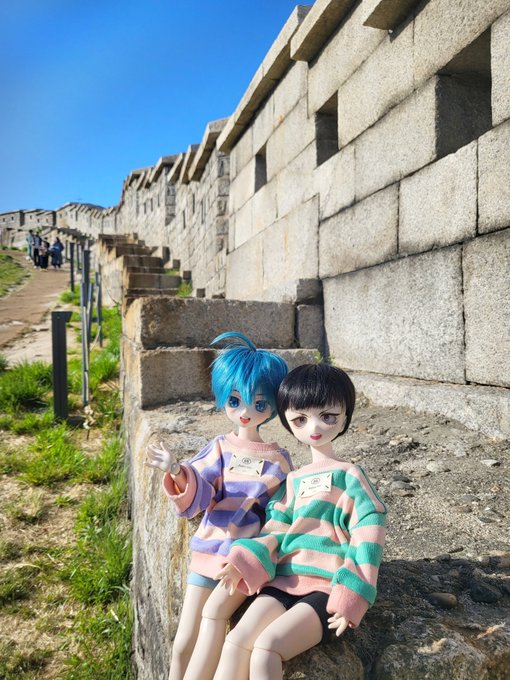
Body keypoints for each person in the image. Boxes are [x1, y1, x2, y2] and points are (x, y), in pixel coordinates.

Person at [208, 363, 387, 680]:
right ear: (288, 421)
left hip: (326, 587)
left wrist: (352, 593)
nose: (314, 427)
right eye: (300, 419)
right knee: (235, 641)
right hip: (285, 581)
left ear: (345, 416)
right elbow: (276, 529)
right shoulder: (293, 481)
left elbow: (368, 529)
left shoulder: (349, 476)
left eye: (327, 416)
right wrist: (244, 561)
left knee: (267, 648)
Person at [145, 332, 292, 680]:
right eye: (235, 401)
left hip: (241, 560)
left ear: (273, 406)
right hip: (209, 550)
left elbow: (280, 515)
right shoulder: (220, 447)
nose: (246, 412)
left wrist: (261, 557)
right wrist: (177, 470)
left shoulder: (279, 461)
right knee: (183, 642)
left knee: (211, 626)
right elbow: (200, 490)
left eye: (259, 404)